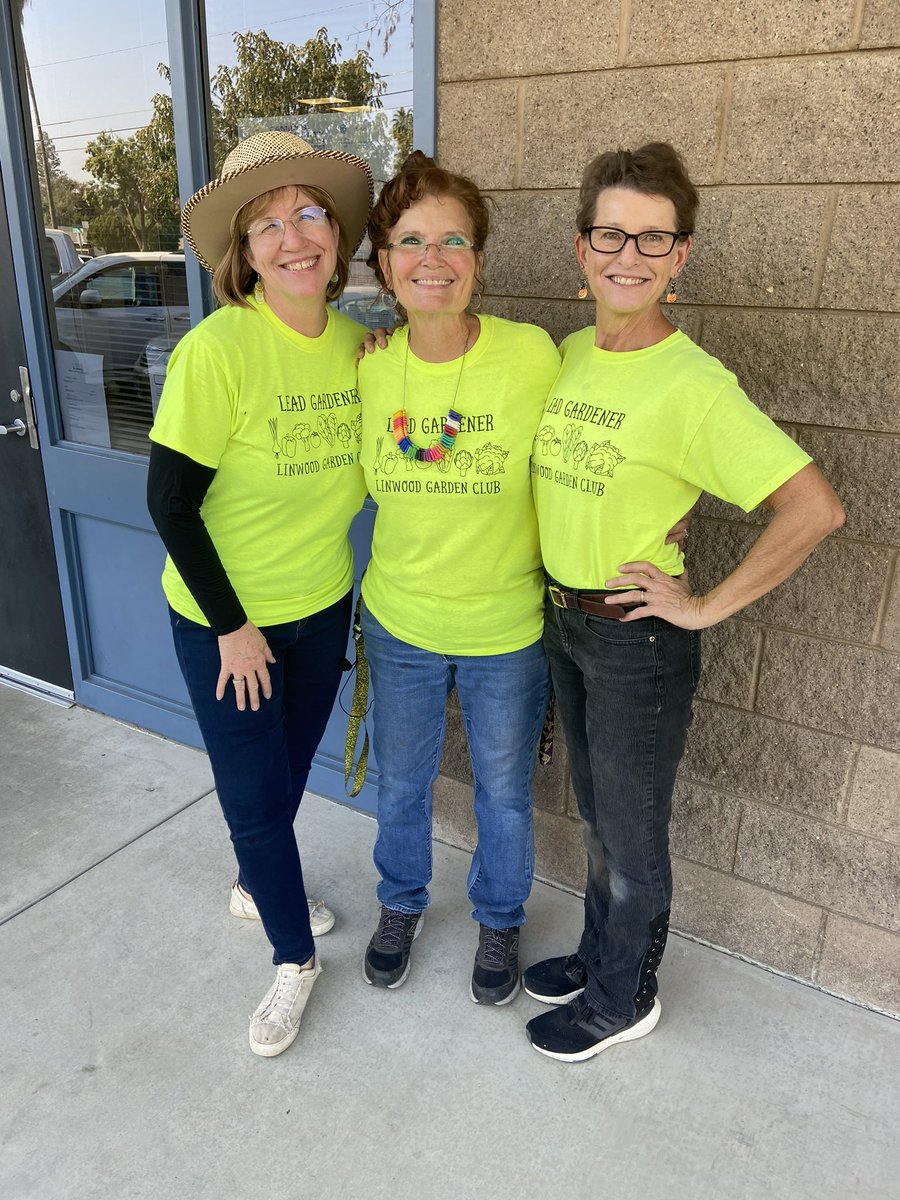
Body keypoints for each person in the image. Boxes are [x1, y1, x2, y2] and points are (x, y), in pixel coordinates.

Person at [524, 142, 845, 1062]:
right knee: (595, 810)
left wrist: (701, 606)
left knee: (630, 832)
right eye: (611, 234)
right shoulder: (574, 351)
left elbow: (813, 509)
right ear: (580, 248)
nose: (629, 255)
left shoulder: (695, 386)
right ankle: (597, 955)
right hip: (565, 621)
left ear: (681, 256)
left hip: (636, 642)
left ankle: (623, 996)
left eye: (653, 239)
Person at [147, 131, 373, 1057]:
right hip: (224, 622)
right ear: (245, 254)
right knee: (253, 797)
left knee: (282, 779)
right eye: (268, 223)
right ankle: (293, 959)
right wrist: (234, 627)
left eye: (309, 213)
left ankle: (254, 883)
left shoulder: (365, 348)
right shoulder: (219, 352)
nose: (293, 236)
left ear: (335, 237)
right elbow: (168, 502)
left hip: (322, 606)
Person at [357, 153, 561, 1004]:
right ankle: (400, 901)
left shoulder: (534, 356)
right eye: (410, 241)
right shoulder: (367, 365)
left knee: (505, 796)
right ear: (383, 264)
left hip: (505, 628)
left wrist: (663, 508)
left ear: (477, 257)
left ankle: (500, 919)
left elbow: (605, 446)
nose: (431, 259)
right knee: (402, 784)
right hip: (399, 621)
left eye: (452, 241)